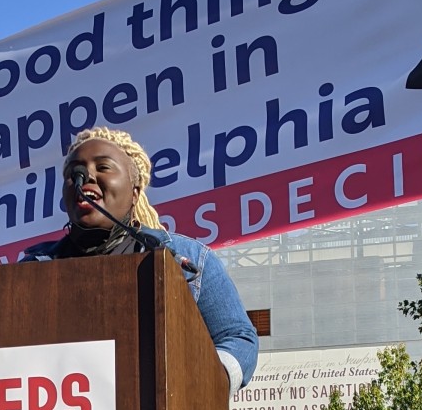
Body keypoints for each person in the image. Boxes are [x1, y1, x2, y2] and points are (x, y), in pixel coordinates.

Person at [22, 127, 258, 395]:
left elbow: (238, 338)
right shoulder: (32, 269)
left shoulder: (187, 260)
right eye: (74, 171)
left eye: (103, 167)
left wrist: (201, 387)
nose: (85, 176)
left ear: (135, 192)